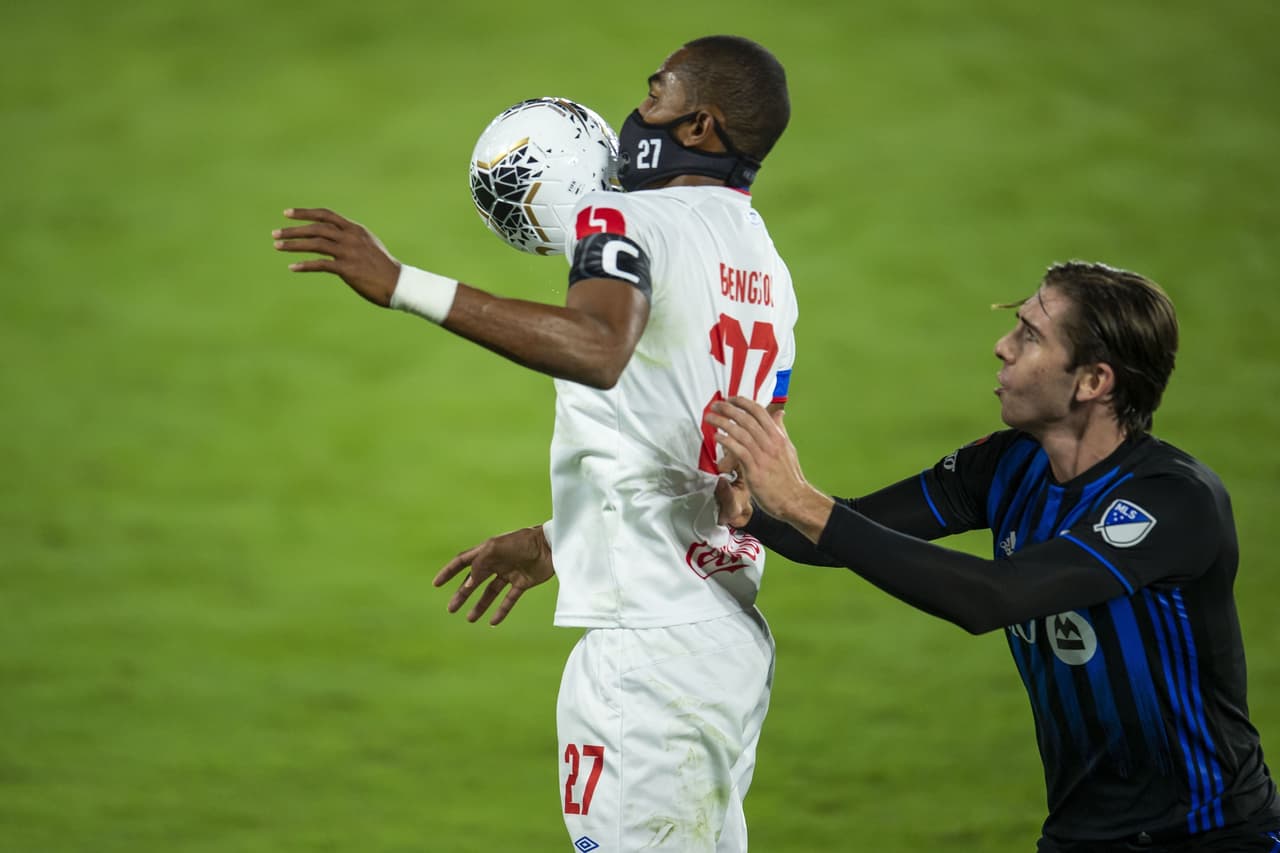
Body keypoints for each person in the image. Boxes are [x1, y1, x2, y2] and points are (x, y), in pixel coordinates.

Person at [272, 35, 798, 852]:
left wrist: (402, 283)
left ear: (699, 125)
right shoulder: (763, 263)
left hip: (647, 655)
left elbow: (598, 346)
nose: (638, 111)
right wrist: (568, 538)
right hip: (722, 636)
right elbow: (729, 471)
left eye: (655, 94)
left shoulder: (621, 216)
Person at [705, 261, 1280, 853]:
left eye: (1030, 335)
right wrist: (757, 511)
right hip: (1078, 837)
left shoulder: (1173, 501)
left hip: (1209, 836)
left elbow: (991, 597)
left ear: (1093, 381)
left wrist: (801, 500)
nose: (1002, 347)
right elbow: (838, 535)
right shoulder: (1009, 465)